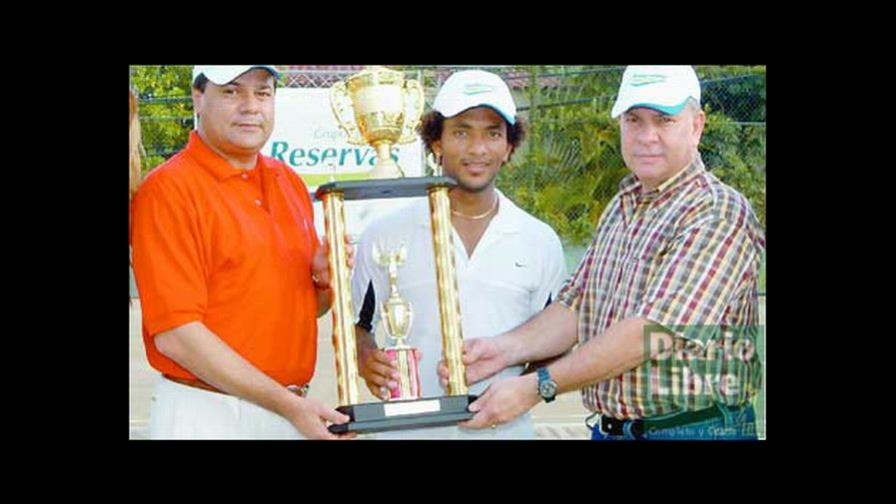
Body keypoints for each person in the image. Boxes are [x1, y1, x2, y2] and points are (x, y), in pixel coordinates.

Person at [440, 65, 765, 440]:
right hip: (613, 430)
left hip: (692, 429)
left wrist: (538, 385)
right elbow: (576, 306)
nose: (647, 136)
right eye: (634, 120)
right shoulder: (623, 205)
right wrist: (502, 350)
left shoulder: (717, 211)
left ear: (696, 126)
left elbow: (651, 333)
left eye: (664, 120)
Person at [131, 65, 354, 439]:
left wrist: (322, 280)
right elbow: (177, 336)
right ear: (198, 99)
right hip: (208, 413)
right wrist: (290, 407)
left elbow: (310, 309)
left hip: (288, 408)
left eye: (263, 93)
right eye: (232, 92)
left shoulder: (289, 183)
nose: (251, 106)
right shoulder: (168, 190)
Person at [351, 69, 568, 439]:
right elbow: (358, 325)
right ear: (437, 142)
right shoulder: (383, 234)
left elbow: (556, 339)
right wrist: (365, 358)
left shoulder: (540, 241)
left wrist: (522, 391)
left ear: (509, 146)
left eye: (492, 133)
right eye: (462, 132)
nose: (477, 149)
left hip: (505, 432)